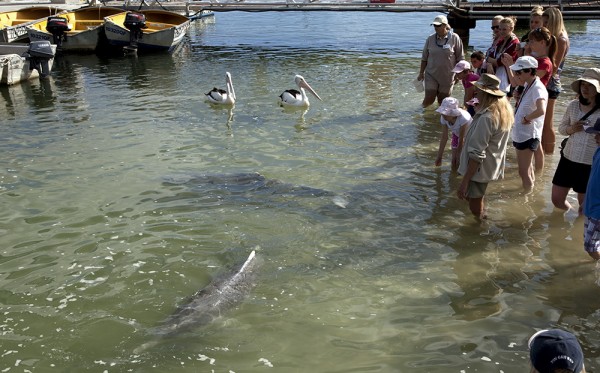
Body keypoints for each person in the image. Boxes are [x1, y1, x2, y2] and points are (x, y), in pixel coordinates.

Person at [457, 74, 514, 219]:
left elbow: (477, 153)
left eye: (479, 90)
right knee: (478, 197)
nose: (476, 92)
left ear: (485, 93)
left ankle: (479, 226)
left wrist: (464, 181)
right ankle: (484, 217)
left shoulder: (486, 118)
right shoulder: (501, 111)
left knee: (473, 203)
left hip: (478, 169)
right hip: (489, 166)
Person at [551, 68, 600, 212]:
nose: (585, 88)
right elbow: (561, 128)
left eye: (590, 85)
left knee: (584, 207)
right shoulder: (573, 105)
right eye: (583, 84)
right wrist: (571, 129)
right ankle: (570, 219)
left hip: (589, 163)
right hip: (568, 158)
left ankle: (578, 232)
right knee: (557, 200)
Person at [509, 56, 548, 192]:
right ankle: (530, 191)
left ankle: (526, 196)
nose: (516, 75)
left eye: (519, 72)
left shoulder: (537, 88)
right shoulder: (528, 84)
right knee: (527, 169)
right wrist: (518, 98)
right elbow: (530, 104)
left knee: (523, 171)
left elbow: (541, 110)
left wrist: (526, 118)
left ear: (529, 71)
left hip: (528, 134)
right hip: (523, 134)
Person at [417, 14, 464, 108]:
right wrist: (421, 73)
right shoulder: (430, 38)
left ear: (445, 25)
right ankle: (420, 117)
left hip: (448, 76)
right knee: (428, 99)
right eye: (434, 25)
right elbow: (424, 58)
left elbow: (460, 58)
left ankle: (438, 121)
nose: (435, 27)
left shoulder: (455, 38)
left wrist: (459, 74)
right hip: (431, 74)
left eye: (438, 25)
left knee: (443, 102)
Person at [542, 7, 570, 154]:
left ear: (554, 22)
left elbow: (554, 67)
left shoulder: (560, 39)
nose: (544, 26)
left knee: (547, 122)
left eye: (546, 22)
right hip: (547, 81)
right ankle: (542, 154)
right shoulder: (554, 37)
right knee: (542, 122)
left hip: (551, 82)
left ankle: (548, 155)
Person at [434, 97, 472, 170]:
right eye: (442, 112)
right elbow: (444, 137)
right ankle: (453, 178)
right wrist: (439, 157)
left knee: (460, 161)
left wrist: (458, 155)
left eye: (446, 113)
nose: (443, 114)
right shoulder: (443, 117)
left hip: (469, 137)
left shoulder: (463, 118)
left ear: (453, 113)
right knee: (453, 162)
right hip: (456, 135)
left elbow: (461, 139)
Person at [486, 17, 520, 94]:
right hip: (497, 74)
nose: (501, 31)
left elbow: (501, 61)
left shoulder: (514, 43)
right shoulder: (501, 40)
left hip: (506, 77)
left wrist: (490, 60)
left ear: (511, 28)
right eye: (500, 29)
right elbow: (489, 54)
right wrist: (490, 61)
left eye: (504, 29)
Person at [583, 118, 600, 260]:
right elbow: (592, 179)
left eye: (598, 134)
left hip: (598, 210)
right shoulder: (598, 151)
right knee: (590, 243)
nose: (595, 137)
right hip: (591, 205)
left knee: (590, 245)